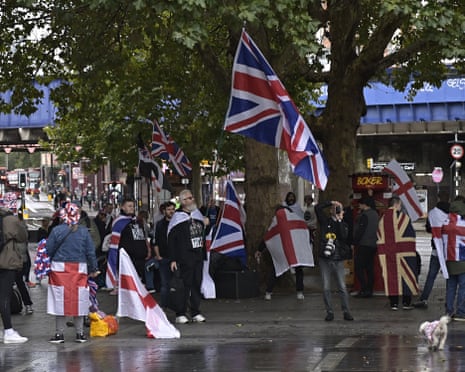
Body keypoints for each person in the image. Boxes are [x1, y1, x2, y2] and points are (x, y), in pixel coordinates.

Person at [47, 203, 100, 343]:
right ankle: (80, 334)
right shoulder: (83, 231)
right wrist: (94, 269)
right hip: (79, 269)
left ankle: (59, 334)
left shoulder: (56, 230)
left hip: (59, 269)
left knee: (59, 300)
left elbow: (48, 250)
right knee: (80, 300)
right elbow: (90, 252)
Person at [168, 190, 208, 324]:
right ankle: (181, 312)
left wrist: (204, 223)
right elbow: (171, 240)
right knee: (184, 285)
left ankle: (195, 311)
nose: (192, 200)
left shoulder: (197, 215)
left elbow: (201, 232)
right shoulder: (177, 218)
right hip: (185, 256)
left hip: (197, 254)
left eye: (192, 197)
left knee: (197, 283)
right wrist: (173, 258)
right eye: (189, 198)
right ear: (183, 202)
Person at [377, 196, 418, 311]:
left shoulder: (383, 219)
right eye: (400, 204)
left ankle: (393, 303)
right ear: (397, 204)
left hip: (388, 252)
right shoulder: (404, 218)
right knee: (406, 275)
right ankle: (406, 302)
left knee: (391, 276)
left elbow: (379, 234)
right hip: (404, 252)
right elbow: (411, 234)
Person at [315, 200, 354, 321]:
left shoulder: (343, 223)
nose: (335, 211)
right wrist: (330, 202)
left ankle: (346, 311)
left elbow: (343, 236)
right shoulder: (325, 221)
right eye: (334, 209)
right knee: (326, 286)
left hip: (337, 258)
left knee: (342, 286)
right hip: (325, 258)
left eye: (338, 209)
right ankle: (329, 311)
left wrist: (340, 219)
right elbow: (317, 208)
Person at [414, 195, 450, 309]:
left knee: (431, 276)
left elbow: (429, 229)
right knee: (451, 278)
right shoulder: (453, 214)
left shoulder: (433, 213)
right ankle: (449, 302)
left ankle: (424, 299)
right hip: (451, 251)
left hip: (436, 249)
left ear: (438, 199)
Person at [0, 207, 29, 343]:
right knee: (4, 297)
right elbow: (23, 237)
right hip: (6, 262)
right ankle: (8, 331)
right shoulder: (11, 220)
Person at [353, 197, 379, 298]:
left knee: (358, 267)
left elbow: (360, 230)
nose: (359, 205)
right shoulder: (376, 214)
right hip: (373, 244)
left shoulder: (364, 215)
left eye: (360, 204)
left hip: (364, 244)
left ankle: (363, 289)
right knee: (369, 268)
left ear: (365, 204)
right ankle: (370, 290)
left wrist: (354, 242)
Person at [154, 201, 176, 307]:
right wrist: (158, 256)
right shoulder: (160, 225)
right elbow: (156, 241)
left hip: (176, 258)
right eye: (169, 209)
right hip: (164, 257)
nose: (171, 211)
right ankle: (164, 305)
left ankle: (177, 304)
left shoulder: (178, 223)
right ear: (164, 211)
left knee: (177, 283)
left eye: (173, 209)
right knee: (165, 284)